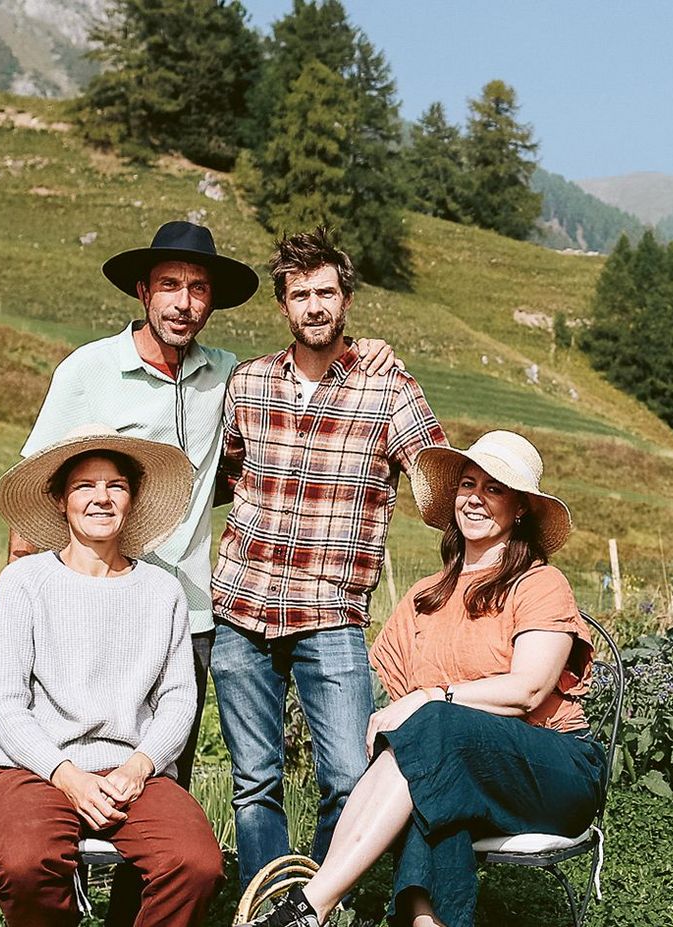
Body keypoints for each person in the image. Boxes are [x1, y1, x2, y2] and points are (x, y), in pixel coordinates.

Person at [0, 220, 397, 792]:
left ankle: (155, 883)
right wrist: (13, 584)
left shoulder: (228, 375)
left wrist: (360, 349)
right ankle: (59, 876)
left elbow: (281, 408)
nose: (183, 302)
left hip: (190, 611)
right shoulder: (86, 371)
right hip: (84, 602)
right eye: (169, 284)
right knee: (63, 758)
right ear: (143, 292)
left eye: (198, 288)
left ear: (212, 301)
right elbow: (39, 488)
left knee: (164, 777)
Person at [242, 430, 607, 927]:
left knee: (433, 729)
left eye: (494, 489)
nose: (475, 498)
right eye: (467, 484)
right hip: (461, 769)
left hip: (552, 768)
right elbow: (397, 706)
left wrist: (437, 696)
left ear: (520, 508)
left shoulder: (540, 583)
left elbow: (529, 689)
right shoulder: (424, 597)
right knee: (431, 771)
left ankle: (311, 903)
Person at [211, 227, 448, 889]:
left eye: (326, 292)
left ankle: (313, 900)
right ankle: (267, 903)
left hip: (330, 612)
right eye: (299, 294)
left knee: (347, 777)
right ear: (282, 305)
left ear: (346, 299)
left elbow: (441, 484)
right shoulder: (250, 382)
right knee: (254, 783)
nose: (314, 305)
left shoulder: (389, 388)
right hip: (241, 607)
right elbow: (229, 471)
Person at [0, 425, 223, 926]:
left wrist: (139, 768)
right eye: (85, 485)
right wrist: (69, 777)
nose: (101, 498)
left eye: (116, 486)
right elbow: (6, 706)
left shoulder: (161, 590)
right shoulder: (24, 582)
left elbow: (176, 700)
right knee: (24, 861)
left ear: (132, 500)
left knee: (195, 865)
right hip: (31, 769)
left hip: (130, 773)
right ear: (62, 500)